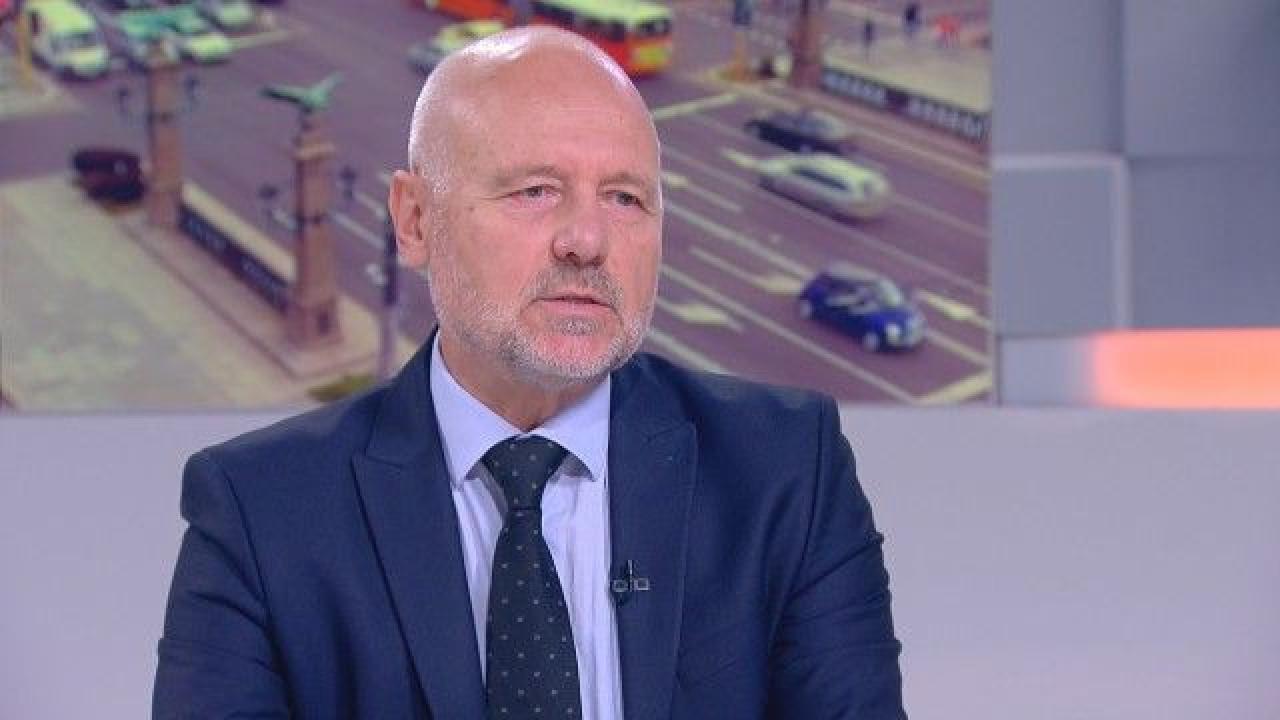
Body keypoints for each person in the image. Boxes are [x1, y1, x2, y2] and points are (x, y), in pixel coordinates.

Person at [152, 27, 905, 720]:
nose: (587, 240)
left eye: (625, 197)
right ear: (414, 220)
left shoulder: (786, 471)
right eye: (535, 190)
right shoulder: (260, 511)